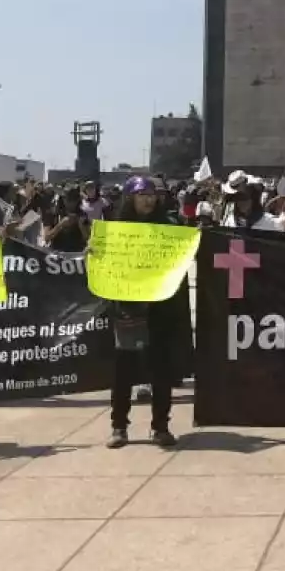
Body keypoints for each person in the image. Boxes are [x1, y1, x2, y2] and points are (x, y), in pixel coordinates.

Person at [105, 177, 185, 448]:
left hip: (161, 308)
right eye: (142, 195)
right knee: (123, 371)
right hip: (128, 308)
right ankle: (119, 427)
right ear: (130, 199)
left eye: (152, 194)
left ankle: (160, 426)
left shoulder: (169, 226)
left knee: (161, 370)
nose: (148, 199)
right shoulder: (116, 230)